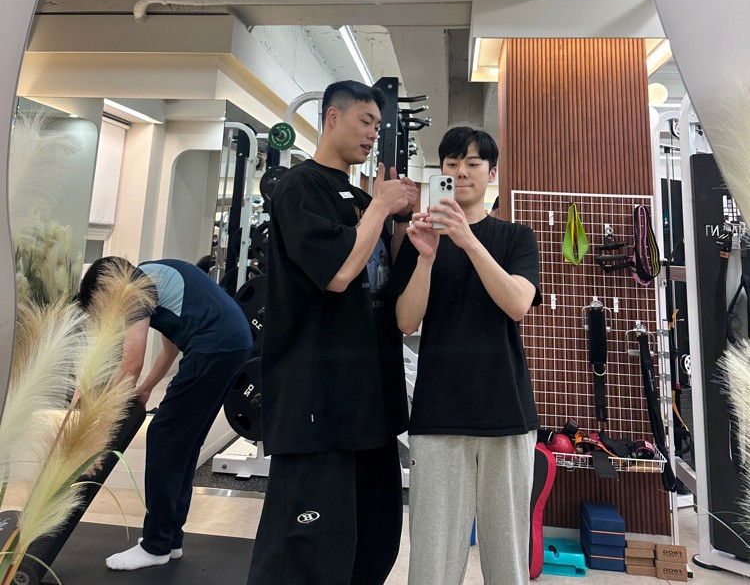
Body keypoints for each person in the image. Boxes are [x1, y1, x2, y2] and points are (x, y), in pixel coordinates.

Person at [247, 80, 418, 585]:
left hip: (370, 406)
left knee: (374, 542)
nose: (372, 134)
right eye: (365, 121)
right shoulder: (300, 188)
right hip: (318, 408)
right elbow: (340, 273)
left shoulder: (360, 198)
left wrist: (402, 224)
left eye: (378, 126)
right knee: (308, 555)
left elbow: (386, 283)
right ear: (332, 117)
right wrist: (381, 208)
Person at [390, 126, 541, 585]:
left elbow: (517, 304)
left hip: (507, 414)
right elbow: (406, 321)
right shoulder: (420, 239)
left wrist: (468, 240)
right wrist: (426, 258)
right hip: (438, 416)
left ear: (491, 173)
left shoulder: (516, 237)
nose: (461, 172)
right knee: (432, 560)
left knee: (508, 557)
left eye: (473, 163)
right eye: (451, 164)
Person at [78, 256, 252, 572]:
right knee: (184, 443)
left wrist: (101, 426)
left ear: (106, 289)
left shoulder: (131, 288)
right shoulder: (150, 276)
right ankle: (170, 539)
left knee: (164, 437)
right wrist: (147, 388)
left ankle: (155, 545)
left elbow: (131, 364)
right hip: (234, 343)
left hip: (214, 345)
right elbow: (171, 346)